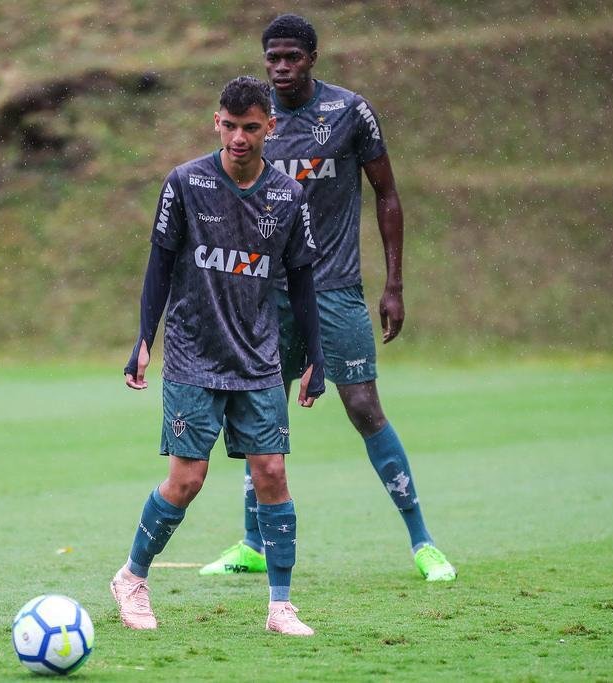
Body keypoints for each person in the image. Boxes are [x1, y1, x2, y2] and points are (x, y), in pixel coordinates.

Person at [199, 14, 456, 583]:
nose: (281, 67)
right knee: (261, 411)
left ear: (312, 58)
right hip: (267, 297)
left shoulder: (349, 112)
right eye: (273, 58)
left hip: (334, 289)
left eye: (292, 57)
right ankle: (254, 544)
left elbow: (387, 193)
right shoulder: (254, 120)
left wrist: (394, 285)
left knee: (363, 407)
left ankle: (423, 542)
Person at [110, 75, 326, 637]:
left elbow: (302, 280)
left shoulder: (288, 196)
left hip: (258, 357)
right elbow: (159, 264)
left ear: (270, 127)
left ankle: (281, 606)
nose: (238, 138)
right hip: (193, 353)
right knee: (187, 480)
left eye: (250, 127)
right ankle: (132, 577)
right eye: (229, 126)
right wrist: (144, 338)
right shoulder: (185, 183)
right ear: (216, 122)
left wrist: (315, 356)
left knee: (272, 472)